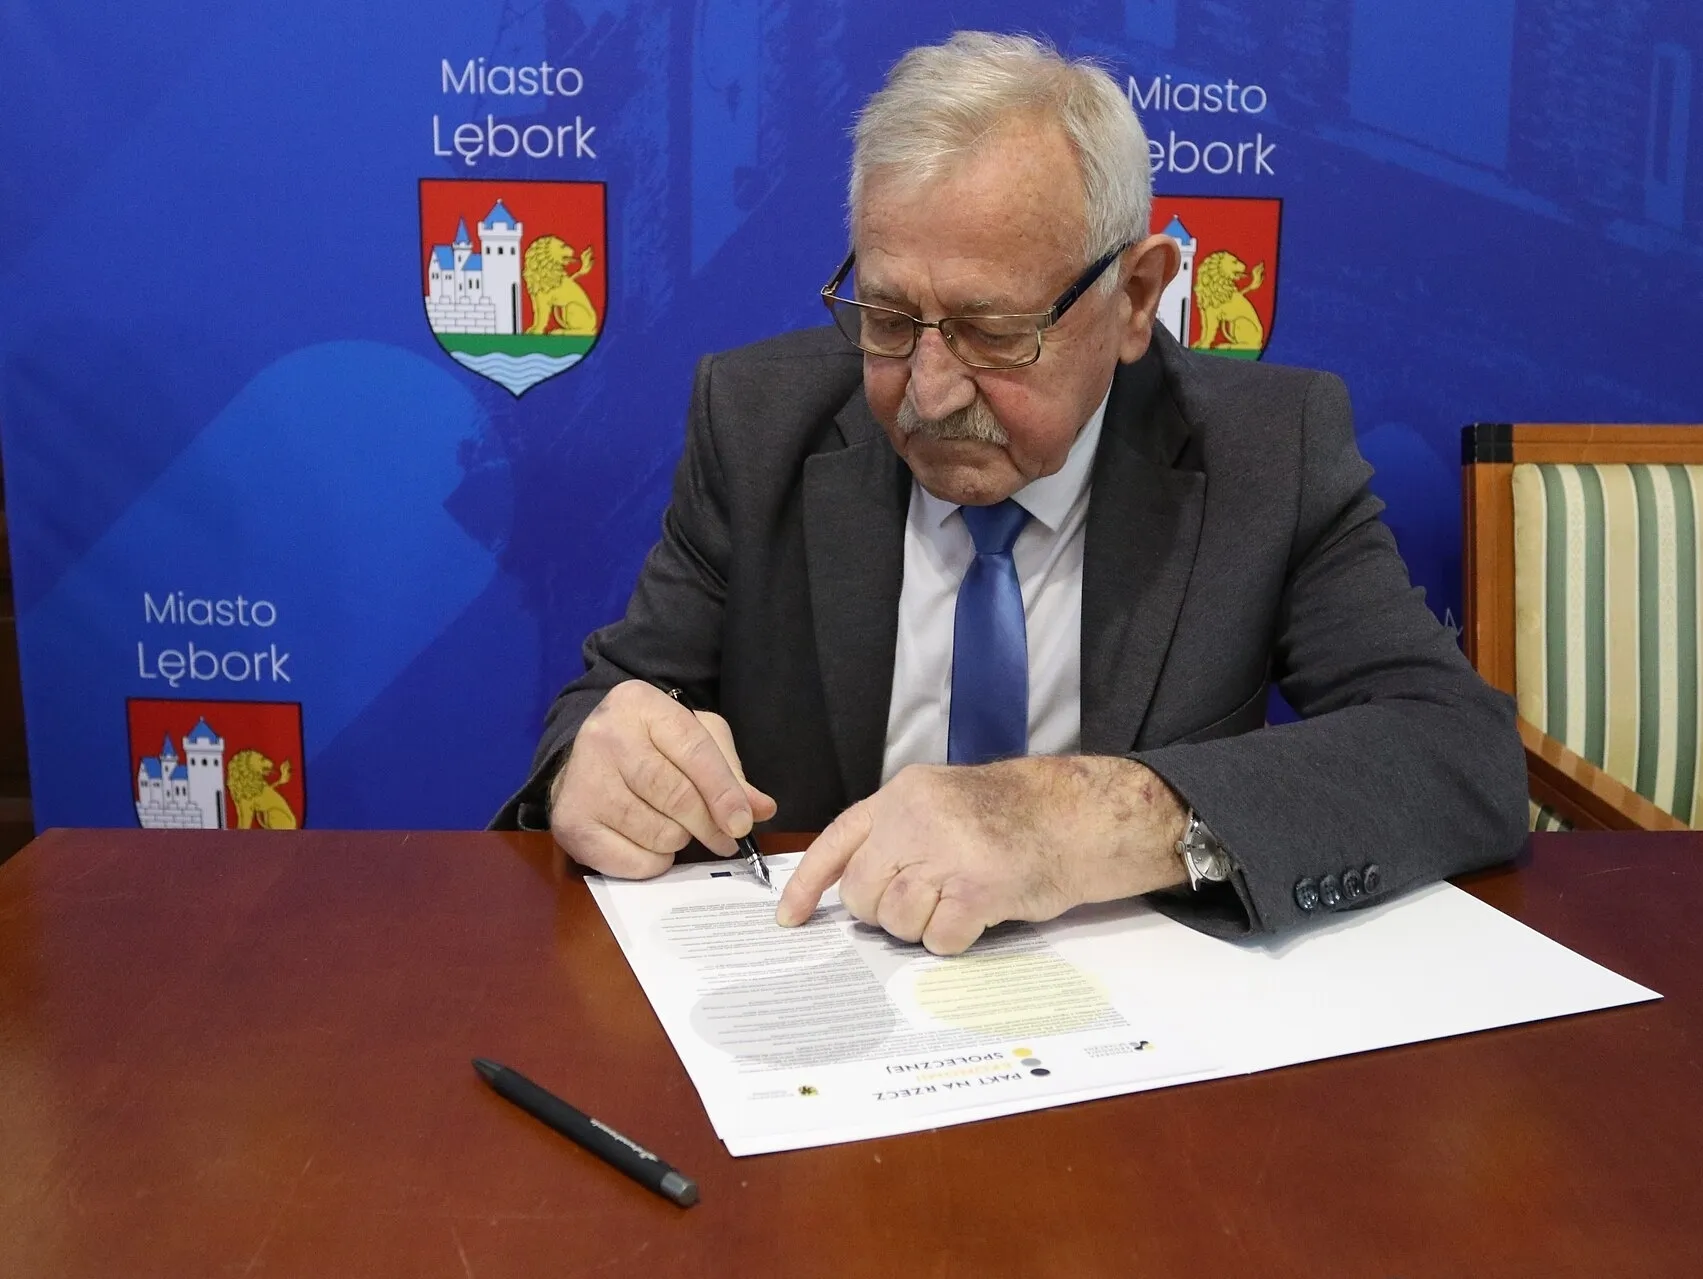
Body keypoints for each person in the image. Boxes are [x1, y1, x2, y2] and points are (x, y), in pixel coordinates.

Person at [494, 31, 1527, 954]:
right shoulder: (758, 421)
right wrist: (595, 765)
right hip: (825, 1003)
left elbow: (1456, 752)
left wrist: (1081, 817)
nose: (930, 392)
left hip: (1147, 1040)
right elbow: (607, 706)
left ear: (1135, 299)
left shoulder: (1267, 450)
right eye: (889, 319)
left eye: (993, 333)